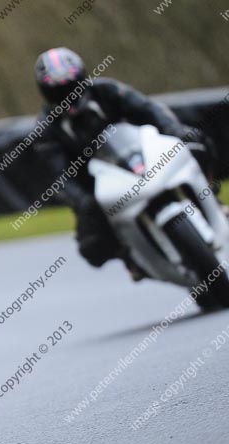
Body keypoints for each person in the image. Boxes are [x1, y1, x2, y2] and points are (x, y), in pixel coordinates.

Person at [33, 47, 220, 278]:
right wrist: (81, 200)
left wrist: (174, 130)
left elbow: (149, 110)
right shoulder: (46, 129)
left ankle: (212, 197)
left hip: (140, 156)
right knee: (91, 245)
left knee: (196, 141)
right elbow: (58, 175)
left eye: (71, 87)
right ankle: (131, 257)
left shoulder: (107, 90)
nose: (67, 96)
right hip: (99, 185)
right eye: (58, 92)